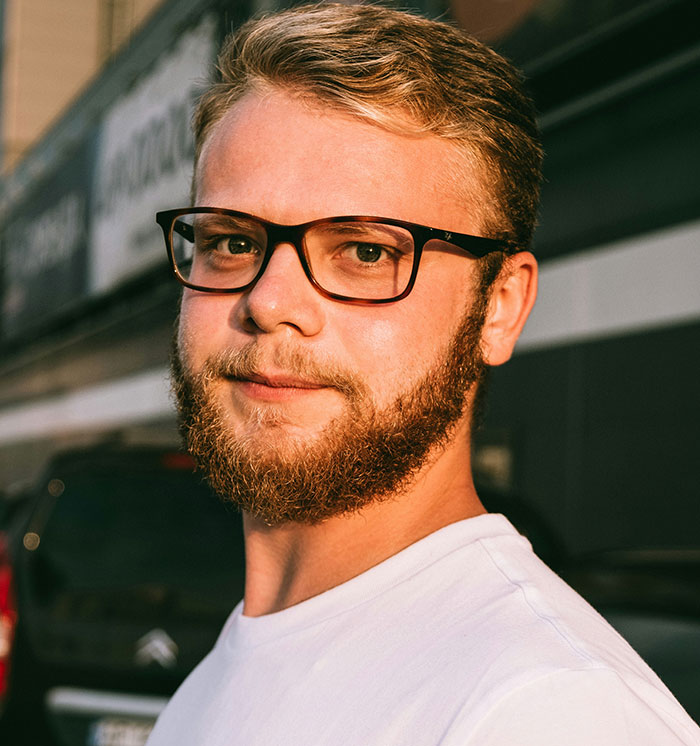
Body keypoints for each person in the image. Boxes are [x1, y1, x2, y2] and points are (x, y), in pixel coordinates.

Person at [149, 4, 700, 744]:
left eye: (366, 251)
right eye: (231, 241)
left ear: (499, 307)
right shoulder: (226, 669)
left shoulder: (548, 712)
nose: (269, 302)